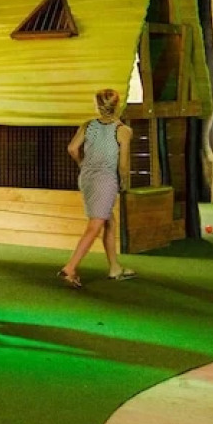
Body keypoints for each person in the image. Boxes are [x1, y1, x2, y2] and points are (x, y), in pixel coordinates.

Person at [58, 88, 136, 288]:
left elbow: (72, 148)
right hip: (105, 180)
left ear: (98, 105)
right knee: (95, 226)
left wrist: (82, 163)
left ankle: (115, 268)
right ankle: (70, 268)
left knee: (109, 220)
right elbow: (124, 164)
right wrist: (125, 182)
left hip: (87, 177)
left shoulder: (88, 125)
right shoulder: (123, 131)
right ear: (118, 105)